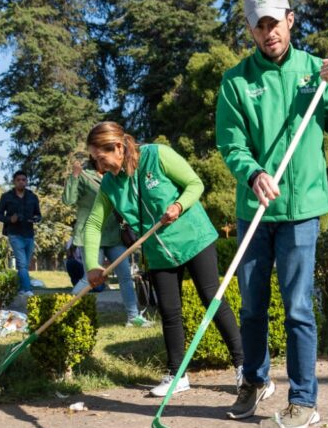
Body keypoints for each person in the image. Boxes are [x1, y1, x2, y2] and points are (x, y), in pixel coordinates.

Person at [216, 0, 328, 428]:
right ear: (250, 29)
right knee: (252, 306)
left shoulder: (317, 72)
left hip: (301, 211)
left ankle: (303, 399)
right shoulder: (236, 81)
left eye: (274, 23)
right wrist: (253, 173)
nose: (268, 33)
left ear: (290, 21)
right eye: (258, 26)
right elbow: (231, 142)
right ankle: (255, 380)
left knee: (298, 306)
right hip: (255, 208)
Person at [83, 122, 244, 399]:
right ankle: (177, 374)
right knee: (169, 312)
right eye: (94, 159)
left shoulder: (157, 156)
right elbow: (94, 224)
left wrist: (178, 205)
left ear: (118, 148)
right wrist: (92, 266)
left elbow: (195, 184)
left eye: (100, 158)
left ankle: (245, 367)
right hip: (157, 252)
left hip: (193, 238)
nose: (98, 165)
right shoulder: (110, 184)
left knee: (212, 300)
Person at [63, 156, 150, 326]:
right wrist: (73, 176)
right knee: (89, 279)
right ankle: (62, 312)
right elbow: (68, 200)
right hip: (91, 233)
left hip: (114, 233)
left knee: (125, 276)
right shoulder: (83, 174)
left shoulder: (115, 176)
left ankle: (133, 318)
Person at [0, 171, 41, 297]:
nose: (21, 182)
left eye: (24, 180)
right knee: (21, 263)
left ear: (26, 181)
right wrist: (10, 219)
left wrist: (36, 218)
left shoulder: (33, 196)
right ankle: (27, 289)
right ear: (14, 182)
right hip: (14, 233)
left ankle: (20, 288)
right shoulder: (6, 196)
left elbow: (38, 214)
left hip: (29, 233)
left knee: (25, 265)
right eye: (18, 180)